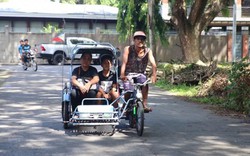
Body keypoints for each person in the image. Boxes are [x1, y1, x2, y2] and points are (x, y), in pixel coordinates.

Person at [120, 31, 157, 112]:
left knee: (145, 83)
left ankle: (144, 104)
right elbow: (124, 63)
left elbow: (153, 64)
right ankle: (125, 104)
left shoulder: (148, 51)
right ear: (134, 40)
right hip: (128, 74)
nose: (140, 41)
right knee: (128, 90)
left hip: (140, 74)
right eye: (138, 39)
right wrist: (122, 74)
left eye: (142, 39)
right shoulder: (128, 49)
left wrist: (154, 75)